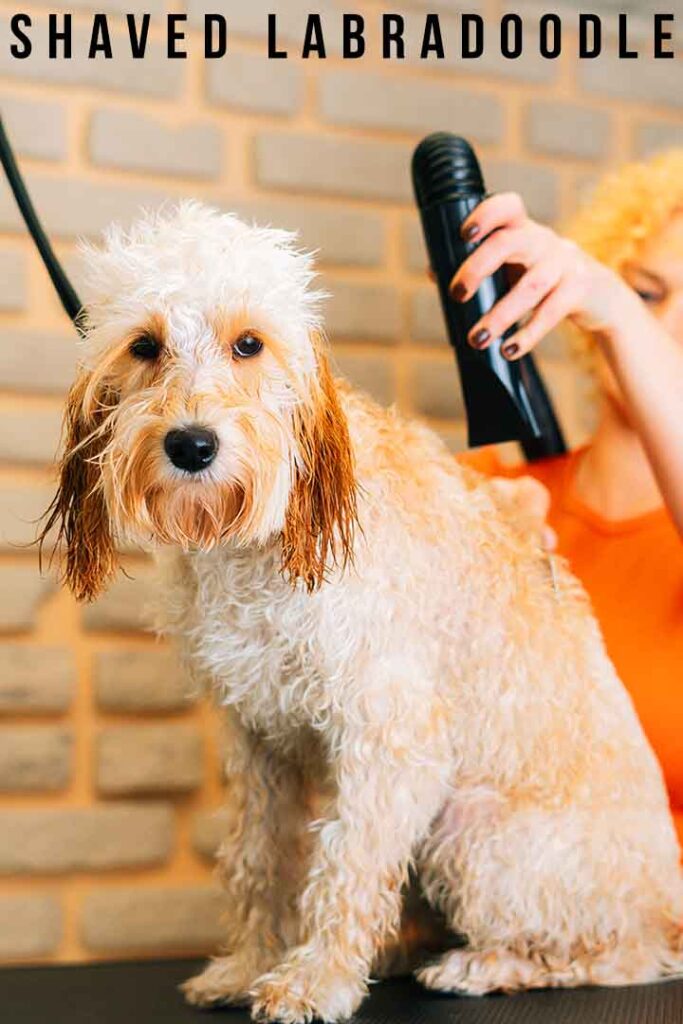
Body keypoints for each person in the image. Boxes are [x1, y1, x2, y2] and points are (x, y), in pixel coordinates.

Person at [441, 150, 683, 842]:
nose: (666, 327)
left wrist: (619, 312)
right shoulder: (491, 500)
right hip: (510, 933)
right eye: (646, 294)